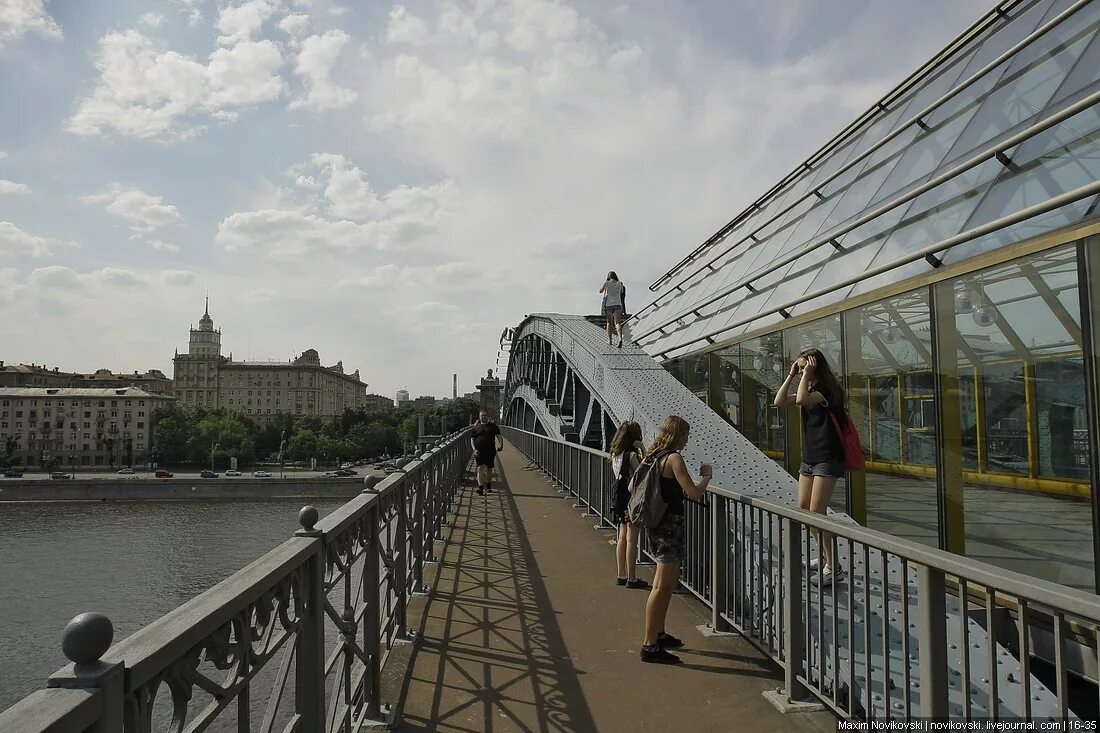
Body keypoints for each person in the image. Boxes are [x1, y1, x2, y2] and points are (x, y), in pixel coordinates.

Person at [640, 415, 712, 664]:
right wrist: (706, 476)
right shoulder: (674, 458)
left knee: (667, 585)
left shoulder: (654, 456)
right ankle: (649, 645)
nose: (687, 440)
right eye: (686, 435)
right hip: (669, 528)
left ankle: (658, 634)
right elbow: (693, 493)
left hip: (657, 526)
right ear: (678, 435)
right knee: (661, 586)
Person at [774, 348, 847, 585]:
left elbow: (803, 400)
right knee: (805, 510)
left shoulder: (827, 391)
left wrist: (806, 373)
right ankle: (827, 557)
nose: (802, 370)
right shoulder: (810, 388)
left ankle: (834, 566)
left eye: (805, 366)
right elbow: (780, 401)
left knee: (817, 512)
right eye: (801, 366)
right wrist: (792, 374)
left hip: (828, 458)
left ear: (816, 366)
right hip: (810, 458)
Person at [610, 421, 650, 590]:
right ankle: (632, 578)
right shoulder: (632, 456)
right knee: (632, 539)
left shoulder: (615, 454)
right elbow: (645, 471)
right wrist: (643, 449)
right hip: (631, 501)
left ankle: (621, 574)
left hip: (619, 499)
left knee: (621, 537)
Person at [470, 410, 503, 496]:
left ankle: (488, 485)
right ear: (479, 417)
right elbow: (472, 439)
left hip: (490, 451)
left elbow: (499, 436)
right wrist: (474, 449)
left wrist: (501, 444)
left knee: (489, 469)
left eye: (485, 415)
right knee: (480, 468)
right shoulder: (476, 427)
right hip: (479, 451)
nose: (483, 417)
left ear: (487, 416)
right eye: (482, 416)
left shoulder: (493, 426)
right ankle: (480, 488)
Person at [599, 271, 627, 348]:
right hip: (618, 304)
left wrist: (605, 287)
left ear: (608, 276)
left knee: (609, 323)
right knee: (617, 323)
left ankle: (610, 340)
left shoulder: (607, 283)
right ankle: (620, 338)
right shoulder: (620, 283)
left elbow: (600, 291)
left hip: (609, 305)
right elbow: (621, 292)